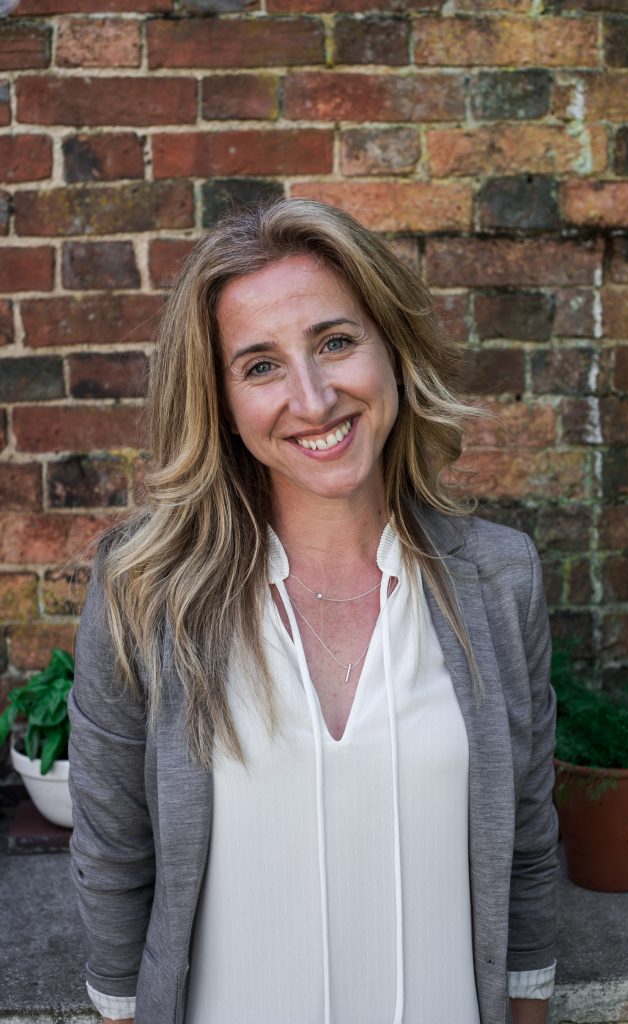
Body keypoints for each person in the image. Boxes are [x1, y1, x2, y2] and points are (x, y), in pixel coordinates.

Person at [68, 197, 559, 1024]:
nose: (314, 396)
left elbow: (527, 850)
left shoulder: (500, 577)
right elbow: (115, 860)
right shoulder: (145, 589)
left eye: (335, 341)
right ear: (221, 401)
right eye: (260, 366)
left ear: (391, 350)